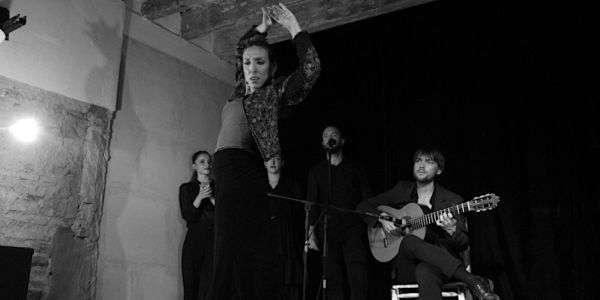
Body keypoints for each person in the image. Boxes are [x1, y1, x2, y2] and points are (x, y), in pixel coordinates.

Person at [208, 2, 320, 300]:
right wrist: (263, 26)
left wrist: (294, 26)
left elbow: (311, 70)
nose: (251, 69)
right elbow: (244, 45)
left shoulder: (273, 93)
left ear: (271, 68)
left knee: (233, 248)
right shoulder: (238, 90)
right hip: (227, 171)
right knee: (238, 249)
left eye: (259, 63)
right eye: (247, 63)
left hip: (242, 172)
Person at [356, 146, 500, 300]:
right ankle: (474, 281)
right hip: (407, 266)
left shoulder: (452, 200)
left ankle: (472, 281)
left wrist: (452, 231)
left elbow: (463, 243)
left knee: (425, 271)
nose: (421, 165)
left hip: (443, 267)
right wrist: (382, 217)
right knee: (409, 240)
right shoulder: (401, 190)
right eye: (418, 161)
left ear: (439, 170)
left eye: (429, 161)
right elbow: (362, 207)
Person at [306, 125, 372, 300]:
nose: (330, 137)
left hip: (353, 228)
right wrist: (310, 232)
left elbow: (367, 198)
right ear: (322, 142)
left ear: (342, 140)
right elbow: (311, 203)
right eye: (326, 135)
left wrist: (373, 225)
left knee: (358, 276)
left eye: (333, 134)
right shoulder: (316, 172)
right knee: (332, 279)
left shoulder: (356, 168)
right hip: (327, 229)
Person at [264, 155, 304, 300]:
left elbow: (299, 215)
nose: (273, 162)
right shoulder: (258, 186)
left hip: (288, 242)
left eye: (277, 159)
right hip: (266, 243)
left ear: (283, 163)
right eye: (269, 159)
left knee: (290, 282)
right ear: (264, 163)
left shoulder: (292, 185)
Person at [179, 150, 215, 300]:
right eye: (202, 161)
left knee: (209, 288)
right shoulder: (186, 188)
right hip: (194, 241)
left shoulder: (219, 188)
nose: (207, 164)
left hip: (214, 242)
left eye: (208, 161)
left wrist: (211, 196)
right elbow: (188, 216)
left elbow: (225, 218)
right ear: (194, 166)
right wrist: (200, 196)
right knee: (191, 286)